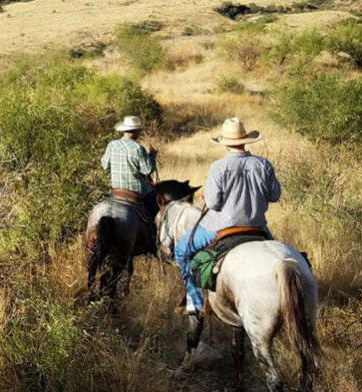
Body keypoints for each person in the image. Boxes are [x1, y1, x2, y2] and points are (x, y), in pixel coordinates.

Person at [174, 117, 282, 315]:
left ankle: (196, 303)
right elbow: (274, 196)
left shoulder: (219, 167)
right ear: (245, 141)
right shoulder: (264, 164)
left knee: (182, 250)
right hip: (258, 227)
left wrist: (208, 195)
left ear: (225, 144)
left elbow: (214, 203)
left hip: (222, 227)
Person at [101, 115, 159, 220]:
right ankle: (157, 234)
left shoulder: (112, 145)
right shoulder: (138, 148)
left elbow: (105, 165)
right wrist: (152, 157)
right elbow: (147, 170)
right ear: (136, 131)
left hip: (116, 191)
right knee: (158, 212)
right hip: (138, 192)